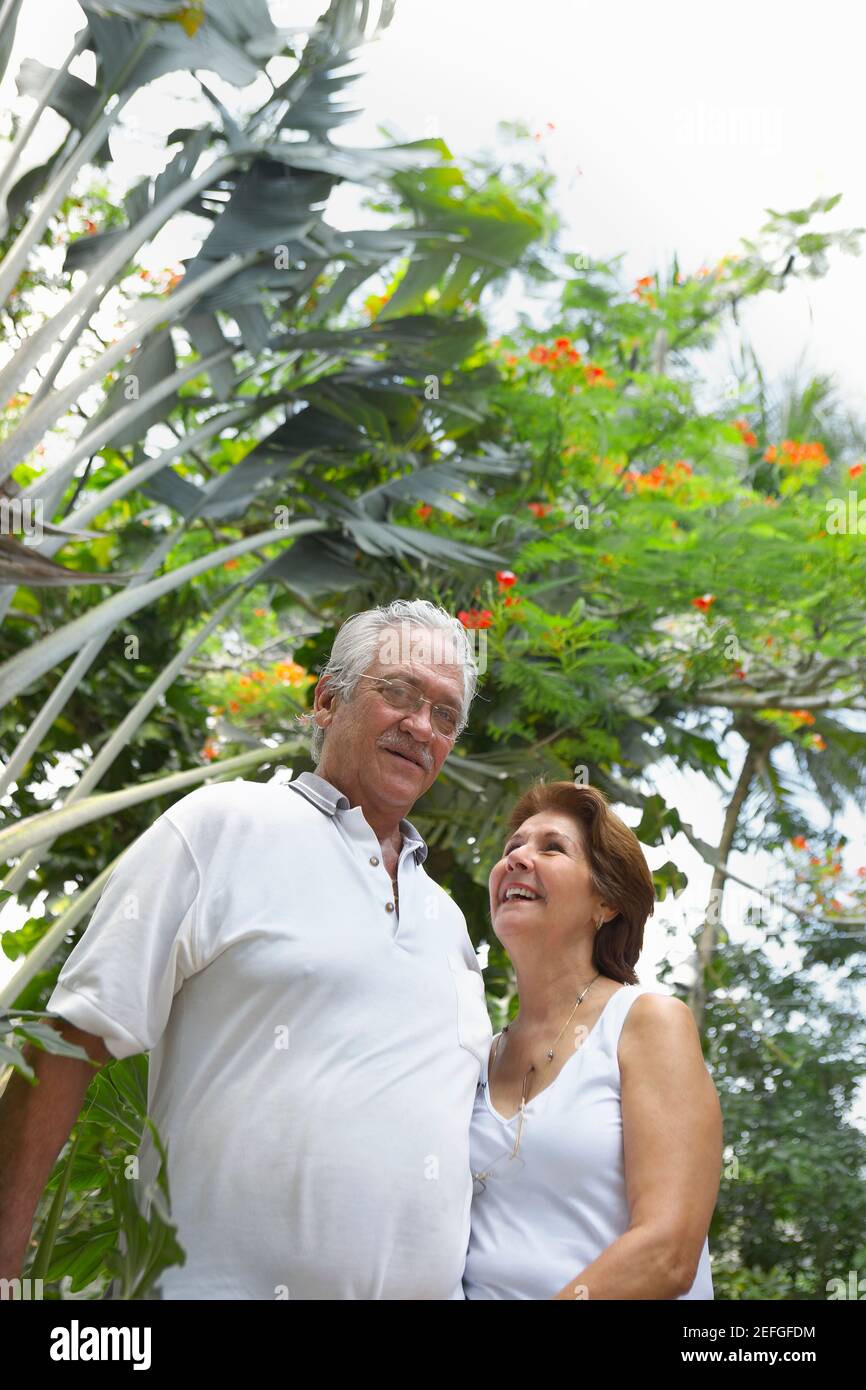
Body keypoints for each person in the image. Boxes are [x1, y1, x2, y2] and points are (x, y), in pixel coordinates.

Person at [0, 599, 493, 1300]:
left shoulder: (449, 924)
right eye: (399, 694)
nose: (421, 726)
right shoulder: (223, 825)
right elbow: (68, 1043)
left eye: (445, 715)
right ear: (326, 702)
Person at [464, 780, 722, 1300]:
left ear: (605, 902)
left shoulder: (648, 1022)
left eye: (552, 848)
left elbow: (667, 1252)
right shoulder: (478, 1052)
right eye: (512, 847)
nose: (517, 859)